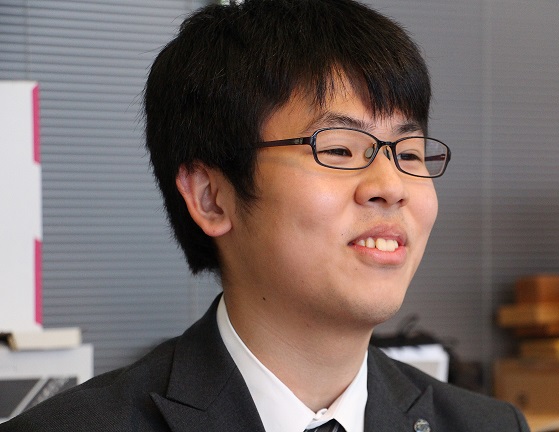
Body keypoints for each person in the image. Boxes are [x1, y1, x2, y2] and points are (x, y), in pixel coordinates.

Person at [0, 1, 530, 431]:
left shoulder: (488, 425)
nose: (391, 187)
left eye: (409, 154)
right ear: (211, 197)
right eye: (339, 149)